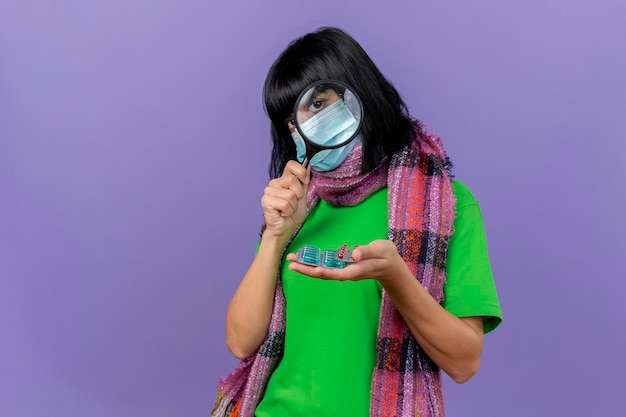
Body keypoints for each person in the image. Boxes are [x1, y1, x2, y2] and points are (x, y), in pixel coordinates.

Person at [212, 27, 502, 417]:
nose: (304, 127)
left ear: (357, 92)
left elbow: (465, 362)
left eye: (317, 104)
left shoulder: (449, 206)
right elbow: (241, 342)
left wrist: (397, 278)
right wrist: (274, 238)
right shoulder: (298, 207)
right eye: (291, 120)